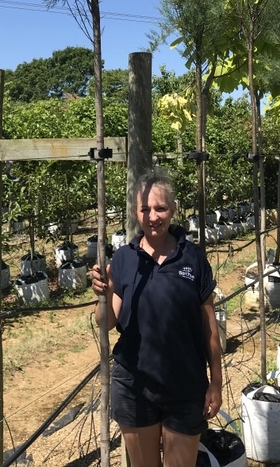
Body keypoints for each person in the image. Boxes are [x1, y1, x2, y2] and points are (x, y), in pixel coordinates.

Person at [92, 169, 222, 467]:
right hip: (134, 385)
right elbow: (107, 322)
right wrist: (105, 290)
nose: (153, 217)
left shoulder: (193, 258)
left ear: (173, 210)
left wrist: (215, 381)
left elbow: (209, 327)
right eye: (145, 209)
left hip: (186, 384)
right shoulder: (125, 258)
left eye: (160, 208)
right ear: (136, 212)